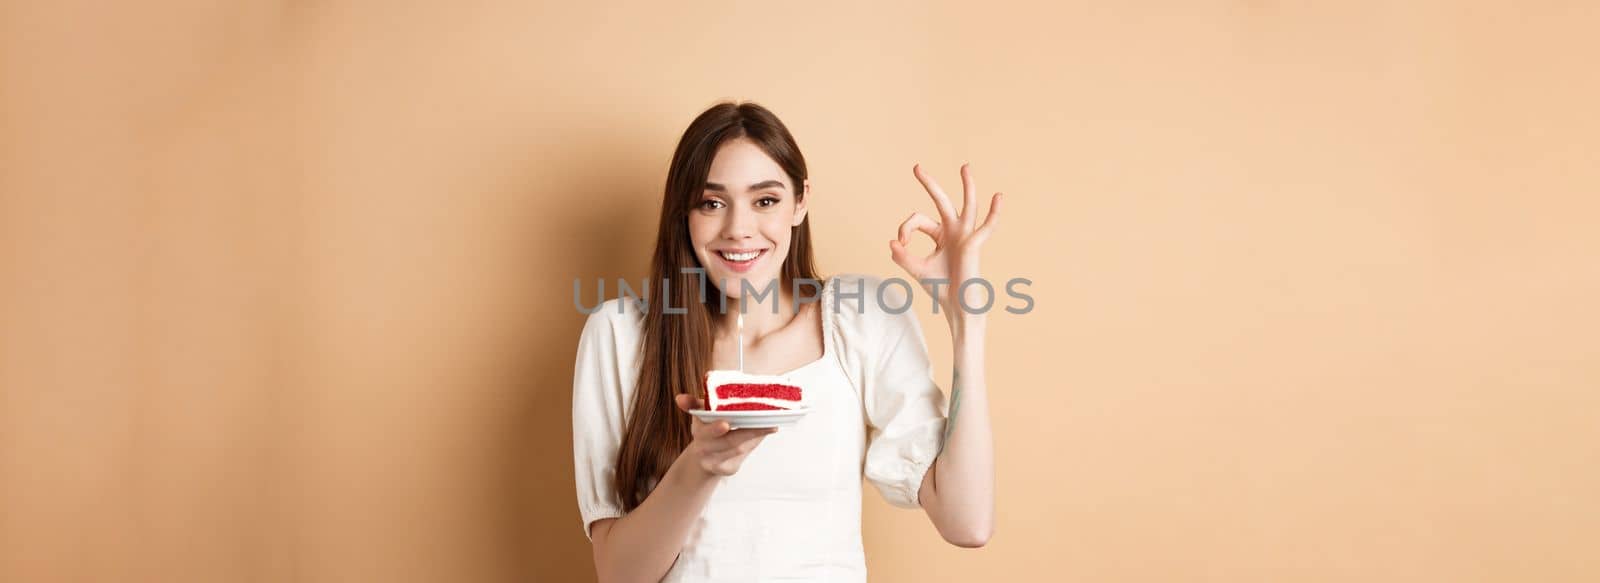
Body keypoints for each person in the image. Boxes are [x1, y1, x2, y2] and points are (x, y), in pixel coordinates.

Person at [571, 101, 1001, 582]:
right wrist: (701, 466)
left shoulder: (861, 317)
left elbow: (967, 522)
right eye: (711, 203)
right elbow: (619, 574)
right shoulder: (622, 334)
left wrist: (967, 325)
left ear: (800, 202)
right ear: (683, 212)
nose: (738, 228)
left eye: (765, 200)